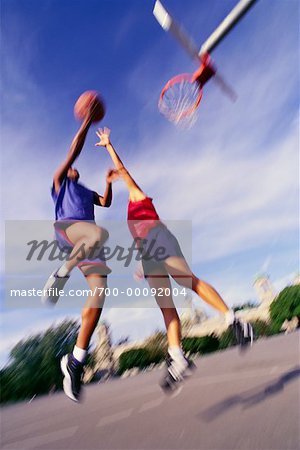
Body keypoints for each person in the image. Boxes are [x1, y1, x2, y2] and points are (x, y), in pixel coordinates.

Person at [95, 127, 254, 392]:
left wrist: (109, 147)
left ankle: (233, 320)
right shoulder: (133, 215)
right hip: (149, 253)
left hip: (160, 242)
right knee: (166, 309)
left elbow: (123, 170)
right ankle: (177, 357)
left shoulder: (139, 197)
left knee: (188, 281)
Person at [41, 107, 114, 402]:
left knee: (99, 293)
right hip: (69, 231)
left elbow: (106, 203)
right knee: (97, 233)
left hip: (88, 244)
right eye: (71, 165)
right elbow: (74, 150)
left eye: (74, 166)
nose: (73, 167)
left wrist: (109, 180)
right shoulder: (60, 183)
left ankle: (76, 360)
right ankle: (61, 272)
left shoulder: (85, 191)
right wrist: (86, 122)